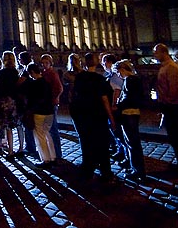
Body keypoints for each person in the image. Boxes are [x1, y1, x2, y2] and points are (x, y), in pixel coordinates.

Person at [69, 52, 116, 183]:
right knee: (102, 143)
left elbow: (74, 95)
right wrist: (111, 118)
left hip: (83, 115)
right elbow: (105, 100)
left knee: (86, 142)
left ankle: (88, 169)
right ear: (97, 63)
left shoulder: (79, 78)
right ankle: (105, 171)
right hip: (97, 115)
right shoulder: (99, 79)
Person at [153, 43, 178, 176]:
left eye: (156, 52)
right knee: (174, 137)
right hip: (170, 106)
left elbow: (173, 90)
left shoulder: (171, 67)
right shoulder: (166, 67)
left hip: (173, 106)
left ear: (164, 52)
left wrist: (166, 102)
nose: (154, 55)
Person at [112, 59, 146, 181]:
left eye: (118, 72)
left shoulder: (129, 80)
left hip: (129, 113)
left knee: (132, 143)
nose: (118, 75)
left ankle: (137, 170)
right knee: (133, 142)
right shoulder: (135, 79)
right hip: (133, 112)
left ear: (122, 69)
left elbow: (128, 98)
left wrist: (118, 104)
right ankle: (136, 168)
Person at [0, 51, 22, 158]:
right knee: (18, 126)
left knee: (8, 127)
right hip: (14, 100)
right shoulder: (16, 72)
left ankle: (10, 150)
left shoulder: (2, 72)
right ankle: (21, 147)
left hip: (4, 101)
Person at [24, 63, 56, 168]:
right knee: (47, 134)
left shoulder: (34, 84)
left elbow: (31, 99)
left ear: (32, 72)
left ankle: (46, 159)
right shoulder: (47, 82)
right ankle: (53, 156)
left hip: (39, 112)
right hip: (49, 111)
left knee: (40, 136)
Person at [40, 54, 64, 161]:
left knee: (53, 129)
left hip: (52, 103)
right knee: (49, 129)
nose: (44, 65)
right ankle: (53, 152)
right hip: (46, 103)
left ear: (50, 63)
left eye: (46, 63)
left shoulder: (52, 74)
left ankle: (58, 154)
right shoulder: (44, 73)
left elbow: (59, 88)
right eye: (43, 63)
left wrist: (54, 98)